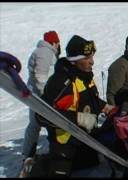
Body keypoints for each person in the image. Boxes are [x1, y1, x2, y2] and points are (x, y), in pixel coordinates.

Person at [32, 35, 115, 177]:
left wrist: (105, 107)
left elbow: (88, 100)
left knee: (91, 163)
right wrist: (79, 118)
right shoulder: (60, 82)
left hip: (84, 140)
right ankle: (36, 165)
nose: (92, 62)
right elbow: (41, 116)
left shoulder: (84, 75)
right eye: (87, 58)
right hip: (65, 144)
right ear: (74, 61)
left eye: (92, 57)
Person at [22, 31, 61, 162]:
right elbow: (41, 76)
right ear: (54, 42)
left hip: (35, 94)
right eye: (57, 43)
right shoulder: (45, 52)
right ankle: (28, 154)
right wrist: (47, 95)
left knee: (35, 125)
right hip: (39, 97)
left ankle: (27, 154)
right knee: (37, 125)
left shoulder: (42, 51)